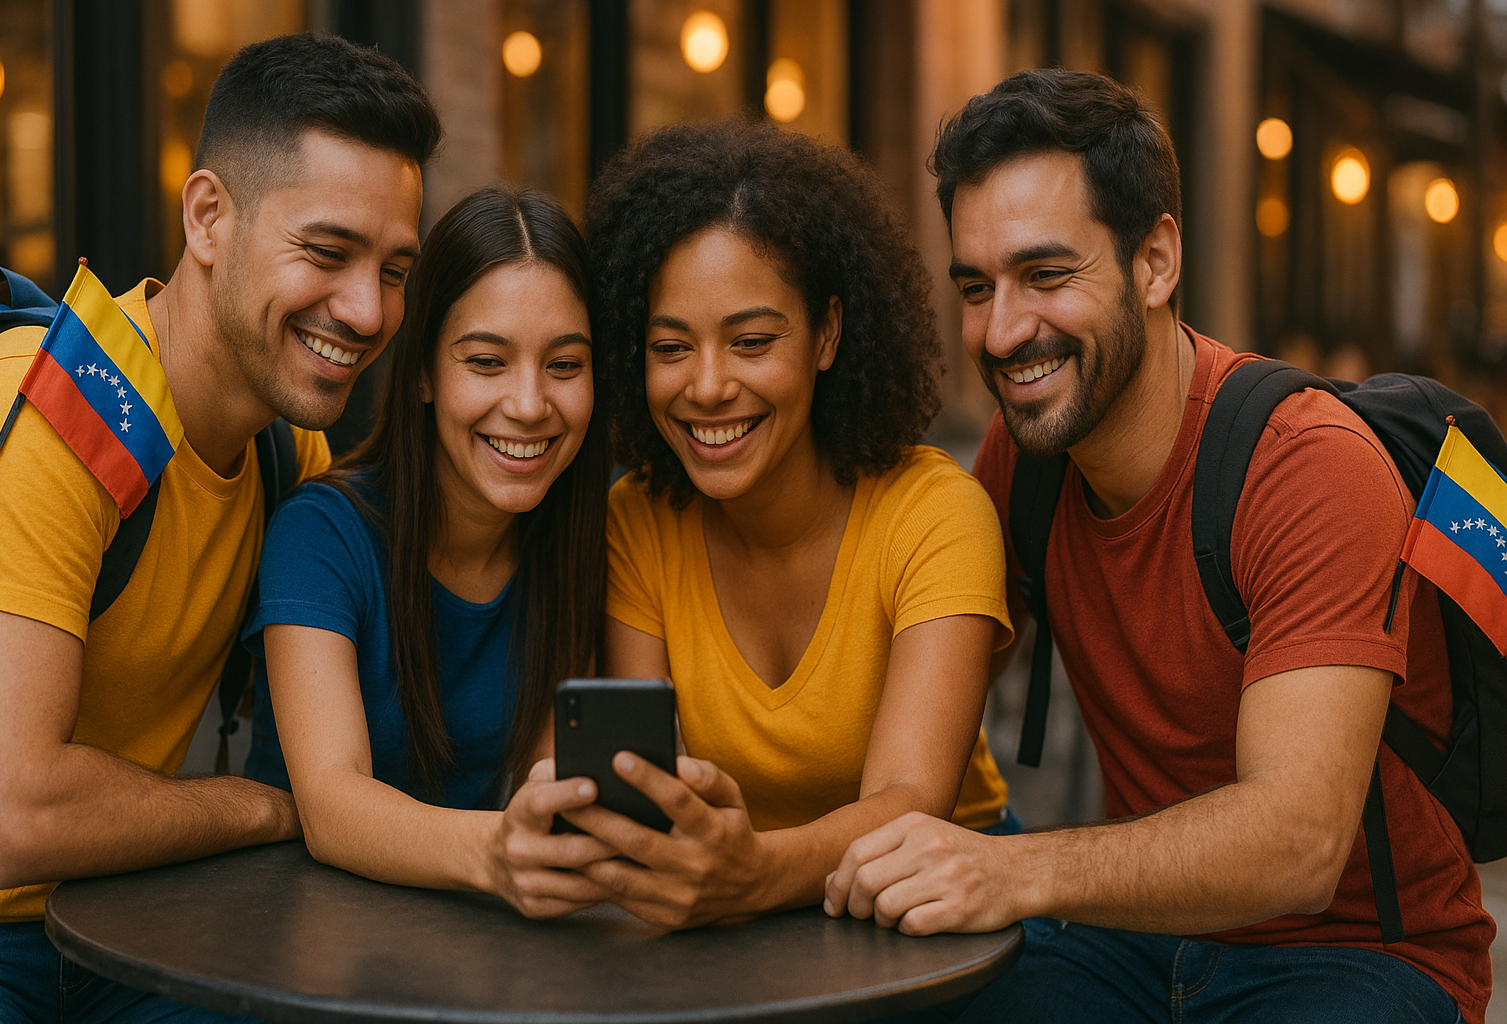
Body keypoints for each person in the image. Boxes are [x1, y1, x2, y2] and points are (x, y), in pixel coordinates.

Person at [824, 69, 1493, 1024]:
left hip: (1359, 957)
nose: (1003, 332)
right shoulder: (1025, 460)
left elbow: (1299, 845)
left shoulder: (1309, 466)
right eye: (976, 287)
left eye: (1046, 276)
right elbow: (898, 701)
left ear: (1156, 262)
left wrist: (1011, 869)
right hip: (1136, 941)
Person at [0, 33, 441, 1022]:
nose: (367, 311)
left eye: (396, 269)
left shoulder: (286, 451)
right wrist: (267, 808)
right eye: (326, 253)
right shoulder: (54, 409)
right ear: (208, 217)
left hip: (114, 921)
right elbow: (11, 817)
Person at [568, 118, 1015, 930]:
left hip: (938, 916)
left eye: (750, 341)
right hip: (729, 921)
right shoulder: (635, 521)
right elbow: (649, 789)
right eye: (670, 348)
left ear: (827, 333)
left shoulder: (934, 514)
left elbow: (910, 802)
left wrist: (750, 873)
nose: (708, 386)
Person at [242, 185, 616, 917]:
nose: (530, 405)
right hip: (298, 934)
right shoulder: (322, 533)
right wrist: (500, 851)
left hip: (478, 938)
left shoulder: (578, 539)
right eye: (487, 362)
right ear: (422, 374)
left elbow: (549, 783)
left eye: (565, 365)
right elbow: (332, 804)